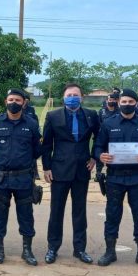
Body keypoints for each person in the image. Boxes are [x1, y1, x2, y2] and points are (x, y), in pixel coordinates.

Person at [93, 88, 138, 270]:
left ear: (136, 103)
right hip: (115, 178)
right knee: (112, 215)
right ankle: (110, 251)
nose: (127, 104)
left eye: (131, 102)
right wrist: (101, 156)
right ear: (119, 103)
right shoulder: (108, 124)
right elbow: (98, 146)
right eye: (124, 101)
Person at [42, 83, 99, 265]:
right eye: (69, 95)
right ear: (63, 97)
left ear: (82, 97)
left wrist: (94, 157)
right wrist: (46, 167)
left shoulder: (91, 115)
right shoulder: (53, 116)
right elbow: (46, 144)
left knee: (79, 211)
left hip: (82, 169)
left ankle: (80, 249)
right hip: (59, 170)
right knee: (56, 211)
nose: (72, 98)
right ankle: (52, 247)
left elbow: (99, 137)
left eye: (75, 95)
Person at [0, 88, 41, 265]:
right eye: (11, 100)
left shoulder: (31, 124)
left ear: (24, 103)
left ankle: (27, 250)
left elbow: (37, 149)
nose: (14, 103)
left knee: (26, 215)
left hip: (24, 178)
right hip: (2, 178)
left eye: (18, 100)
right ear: (6, 102)